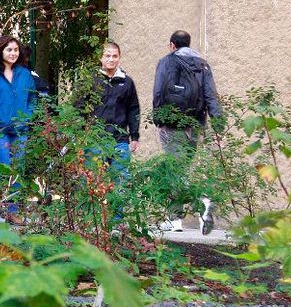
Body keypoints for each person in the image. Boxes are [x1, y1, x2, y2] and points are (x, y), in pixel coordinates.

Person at [152, 29, 223, 234]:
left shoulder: (165, 62)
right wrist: (218, 125)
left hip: (171, 125)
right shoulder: (202, 64)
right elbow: (211, 96)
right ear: (188, 44)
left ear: (172, 45)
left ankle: (195, 207)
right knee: (181, 170)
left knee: (175, 171)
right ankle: (181, 216)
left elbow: (158, 91)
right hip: (193, 125)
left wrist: (158, 118)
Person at [0, 35, 38, 210]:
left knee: (18, 169)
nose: (13, 53)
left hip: (21, 129)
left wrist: (27, 117)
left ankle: (13, 209)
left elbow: (32, 98)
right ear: (0, 51)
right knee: (4, 166)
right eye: (9, 50)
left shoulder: (25, 74)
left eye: (15, 50)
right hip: (0, 129)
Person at [86, 41, 141, 178]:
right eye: (107, 55)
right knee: (93, 183)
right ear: (101, 58)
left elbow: (133, 110)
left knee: (121, 182)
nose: (111, 59)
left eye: (115, 56)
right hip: (95, 141)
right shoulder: (91, 80)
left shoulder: (127, 82)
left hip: (120, 140)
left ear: (119, 58)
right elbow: (79, 108)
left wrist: (134, 136)